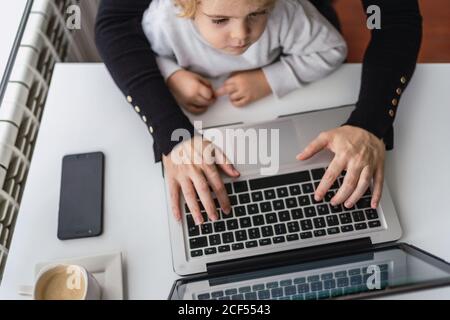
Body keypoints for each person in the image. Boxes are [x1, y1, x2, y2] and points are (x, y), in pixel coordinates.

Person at [95, 0, 422, 226]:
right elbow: (118, 26)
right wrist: (170, 128)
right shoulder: (165, 19)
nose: (240, 36)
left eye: (256, 14)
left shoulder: (290, 16)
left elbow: (394, 18)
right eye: (221, 20)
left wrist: (370, 123)